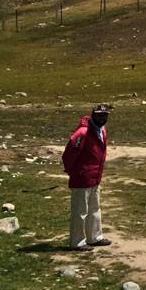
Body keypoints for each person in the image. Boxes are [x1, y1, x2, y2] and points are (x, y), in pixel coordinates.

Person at [61, 104, 113, 251]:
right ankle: (77, 242)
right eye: (99, 115)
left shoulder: (102, 130)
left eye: (104, 115)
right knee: (80, 211)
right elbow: (69, 154)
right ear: (93, 115)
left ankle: (95, 237)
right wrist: (73, 171)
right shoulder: (83, 132)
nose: (102, 118)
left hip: (95, 176)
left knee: (95, 208)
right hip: (82, 177)